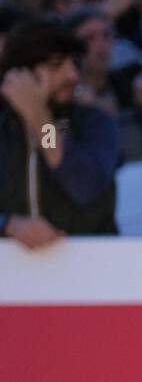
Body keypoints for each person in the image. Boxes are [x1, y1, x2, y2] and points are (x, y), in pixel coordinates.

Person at [0, 17, 117, 248]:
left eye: (74, 64)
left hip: (90, 265)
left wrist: (41, 121)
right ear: (20, 75)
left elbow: (85, 187)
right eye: (57, 65)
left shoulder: (94, 122)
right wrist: (9, 225)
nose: (72, 76)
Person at [68, 5, 142, 161]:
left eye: (107, 36)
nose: (101, 46)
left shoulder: (133, 82)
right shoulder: (61, 95)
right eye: (88, 39)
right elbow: (51, 152)